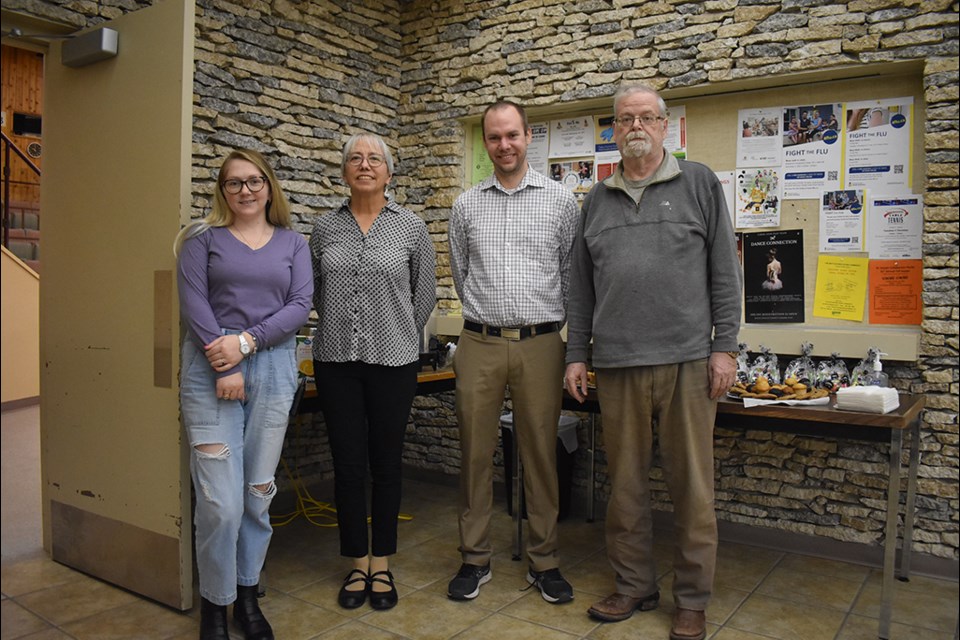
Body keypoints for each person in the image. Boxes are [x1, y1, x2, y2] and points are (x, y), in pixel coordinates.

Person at [564, 85, 741, 640]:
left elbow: (723, 272)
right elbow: (581, 289)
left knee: (692, 488)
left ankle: (692, 598)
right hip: (616, 364)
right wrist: (576, 354)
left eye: (647, 117)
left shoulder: (700, 184)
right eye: (625, 119)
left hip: (689, 360)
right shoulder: (595, 200)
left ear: (667, 126)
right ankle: (634, 584)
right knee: (626, 487)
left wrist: (725, 346)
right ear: (614, 130)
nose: (636, 125)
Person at [175, 149, 313, 640]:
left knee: (256, 494)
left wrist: (248, 343)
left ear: (269, 187)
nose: (246, 190)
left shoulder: (293, 243)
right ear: (222, 191)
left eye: (255, 181)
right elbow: (193, 303)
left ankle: (247, 594)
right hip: (209, 364)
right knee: (219, 502)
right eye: (234, 183)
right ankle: (216, 604)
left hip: (273, 368)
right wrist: (225, 358)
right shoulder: (200, 241)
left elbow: (300, 305)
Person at [447, 99, 580, 604]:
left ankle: (544, 561)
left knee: (541, 454)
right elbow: (462, 275)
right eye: (495, 137)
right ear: (486, 143)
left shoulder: (561, 201)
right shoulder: (466, 205)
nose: (504, 145)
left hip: (542, 342)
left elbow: (571, 278)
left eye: (513, 135)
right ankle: (474, 558)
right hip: (479, 341)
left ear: (528, 137)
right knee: (475, 453)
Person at [310, 133, 437, 611]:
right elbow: (318, 292)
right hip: (336, 360)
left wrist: (394, 330)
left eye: (375, 159)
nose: (365, 165)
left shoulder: (410, 227)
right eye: (355, 159)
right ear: (344, 171)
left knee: (385, 464)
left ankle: (381, 562)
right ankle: (356, 561)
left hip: (394, 362)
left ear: (389, 171)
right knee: (347, 465)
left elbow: (423, 295)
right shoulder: (324, 229)